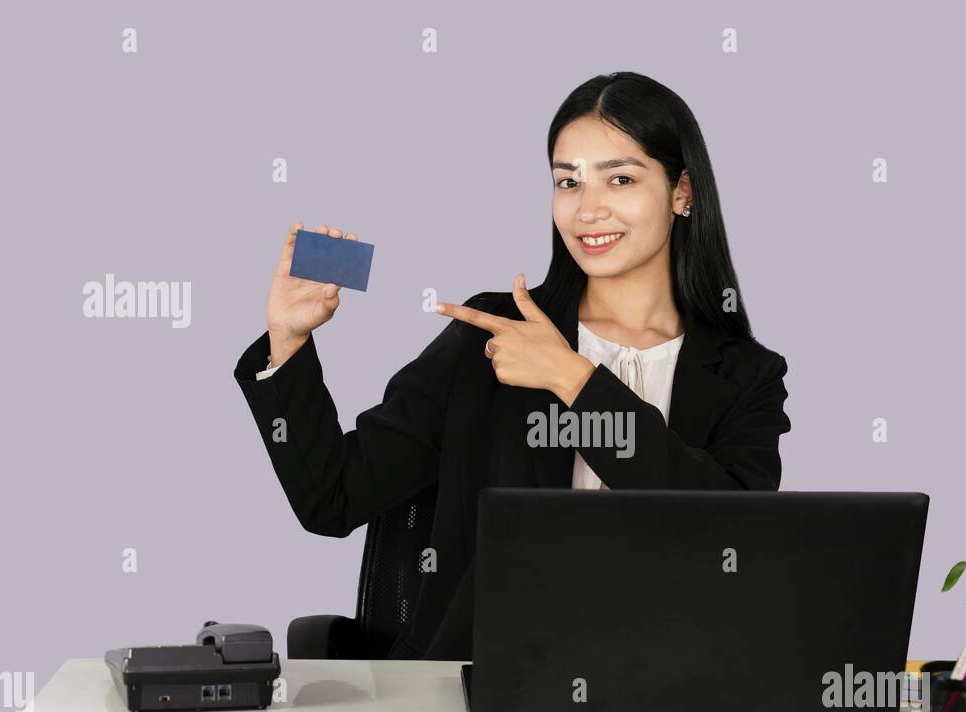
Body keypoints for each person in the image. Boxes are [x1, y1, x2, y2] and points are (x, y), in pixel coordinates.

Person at [234, 71, 792, 660]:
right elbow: (333, 498)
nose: (588, 209)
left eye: (621, 179)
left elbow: (725, 535)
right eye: (568, 182)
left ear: (682, 192)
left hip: (668, 685)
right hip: (489, 685)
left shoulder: (747, 375)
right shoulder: (493, 334)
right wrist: (288, 340)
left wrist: (572, 379)